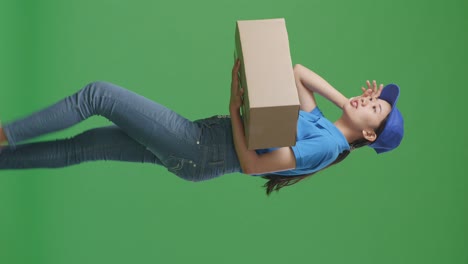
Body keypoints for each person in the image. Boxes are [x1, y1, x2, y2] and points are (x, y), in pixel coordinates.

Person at [0, 60, 404, 195]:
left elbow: (252, 166)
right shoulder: (321, 123)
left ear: (370, 135)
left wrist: (233, 104)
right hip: (198, 143)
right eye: (372, 96)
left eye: (376, 108)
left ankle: (4, 134)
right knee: (83, 147)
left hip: (198, 149)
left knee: (97, 95)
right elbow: (296, 71)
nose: (369, 100)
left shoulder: (327, 147)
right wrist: (344, 100)